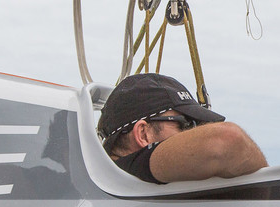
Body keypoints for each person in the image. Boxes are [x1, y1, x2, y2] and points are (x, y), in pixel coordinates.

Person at [98, 73, 267, 183]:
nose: (194, 132)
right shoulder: (130, 169)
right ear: (144, 134)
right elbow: (227, 141)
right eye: (185, 124)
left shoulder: (112, 182)